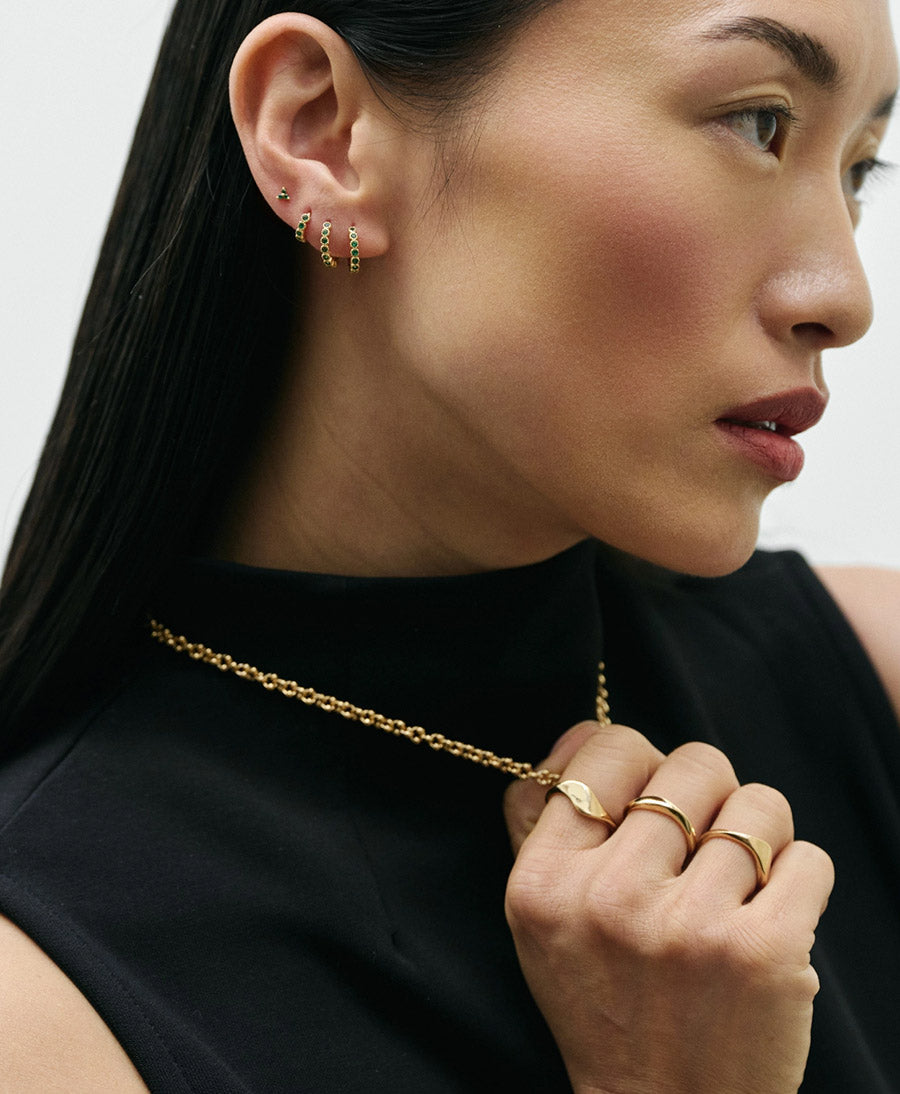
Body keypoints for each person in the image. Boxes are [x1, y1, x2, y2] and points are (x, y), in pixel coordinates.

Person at [0, 0, 898, 1090]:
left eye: (860, 166)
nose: (844, 296)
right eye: (759, 123)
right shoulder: (42, 1013)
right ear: (323, 135)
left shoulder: (872, 681)